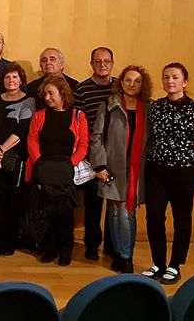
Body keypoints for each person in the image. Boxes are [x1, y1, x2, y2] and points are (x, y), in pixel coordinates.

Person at [141, 63, 194, 284]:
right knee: (154, 217)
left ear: (184, 82)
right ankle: (158, 262)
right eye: (166, 77)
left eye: (175, 77)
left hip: (184, 171)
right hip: (156, 170)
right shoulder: (156, 107)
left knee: (182, 218)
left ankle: (175, 264)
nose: (170, 81)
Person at [89, 65, 152, 274]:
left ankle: (126, 257)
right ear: (121, 82)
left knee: (126, 212)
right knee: (114, 211)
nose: (132, 84)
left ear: (143, 85)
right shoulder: (109, 105)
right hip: (112, 166)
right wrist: (100, 165)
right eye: (128, 80)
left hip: (136, 168)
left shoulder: (149, 109)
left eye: (137, 81)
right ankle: (118, 252)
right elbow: (97, 137)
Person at [25, 76, 89, 266]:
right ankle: (50, 249)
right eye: (45, 94)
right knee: (46, 213)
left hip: (66, 172)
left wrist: (70, 165)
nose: (47, 97)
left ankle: (65, 251)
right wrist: (41, 166)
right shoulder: (39, 116)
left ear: (62, 93)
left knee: (65, 215)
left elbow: (84, 145)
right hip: (43, 171)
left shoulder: (78, 116)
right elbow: (32, 142)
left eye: (51, 93)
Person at [0, 63, 35, 256]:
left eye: (15, 77)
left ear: (21, 80)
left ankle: (11, 241)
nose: (11, 80)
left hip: (16, 159)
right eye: (7, 77)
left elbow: (22, 131)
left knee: (13, 202)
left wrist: (1, 150)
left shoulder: (29, 101)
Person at [73, 47, 116, 261]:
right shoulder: (81, 90)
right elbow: (79, 123)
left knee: (115, 203)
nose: (102, 65)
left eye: (106, 61)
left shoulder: (120, 87)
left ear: (112, 63)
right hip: (92, 154)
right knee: (93, 204)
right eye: (98, 61)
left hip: (117, 154)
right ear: (91, 64)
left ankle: (112, 245)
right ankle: (92, 244)